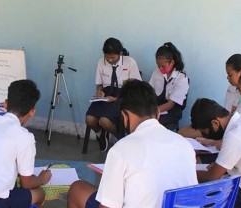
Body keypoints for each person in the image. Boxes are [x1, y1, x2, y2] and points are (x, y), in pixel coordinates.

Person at [68, 80, 198, 208]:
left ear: (124, 116)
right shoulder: (185, 144)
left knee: (77, 188)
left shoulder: (121, 149)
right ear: (158, 113)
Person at [0, 80, 51, 208]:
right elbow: (26, 184)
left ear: (5, 104)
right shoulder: (25, 137)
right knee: (40, 193)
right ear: (32, 111)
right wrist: (42, 179)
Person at [191, 98, 241, 208]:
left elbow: (211, 178)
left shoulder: (234, 136)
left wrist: (188, 171)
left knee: (204, 196)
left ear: (215, 123)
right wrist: (222, 168)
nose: (206, 136)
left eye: (205, 133)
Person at [86, 37, 142, 151]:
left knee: (105, 121)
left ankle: (120, 137)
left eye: (113, 57)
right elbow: (99, 83)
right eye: (107, 57)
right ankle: (100, 134)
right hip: (106, 95)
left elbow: (135, 87)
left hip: (124, 94)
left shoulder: (130, 62)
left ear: (120, 53)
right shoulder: (101, 62)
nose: (110, 60)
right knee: (90, 120)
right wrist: (100, 91)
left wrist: (117, 99)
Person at [149, 42, 188, 131]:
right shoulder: (157, 72)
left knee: (154, 123)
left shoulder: (182, 78)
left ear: (172, 62)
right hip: (157, 107)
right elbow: (149, 90)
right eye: (158, 66)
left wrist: (153, 112)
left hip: (172, 111)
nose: (160, 68)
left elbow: (170, 105)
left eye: (163, 66)